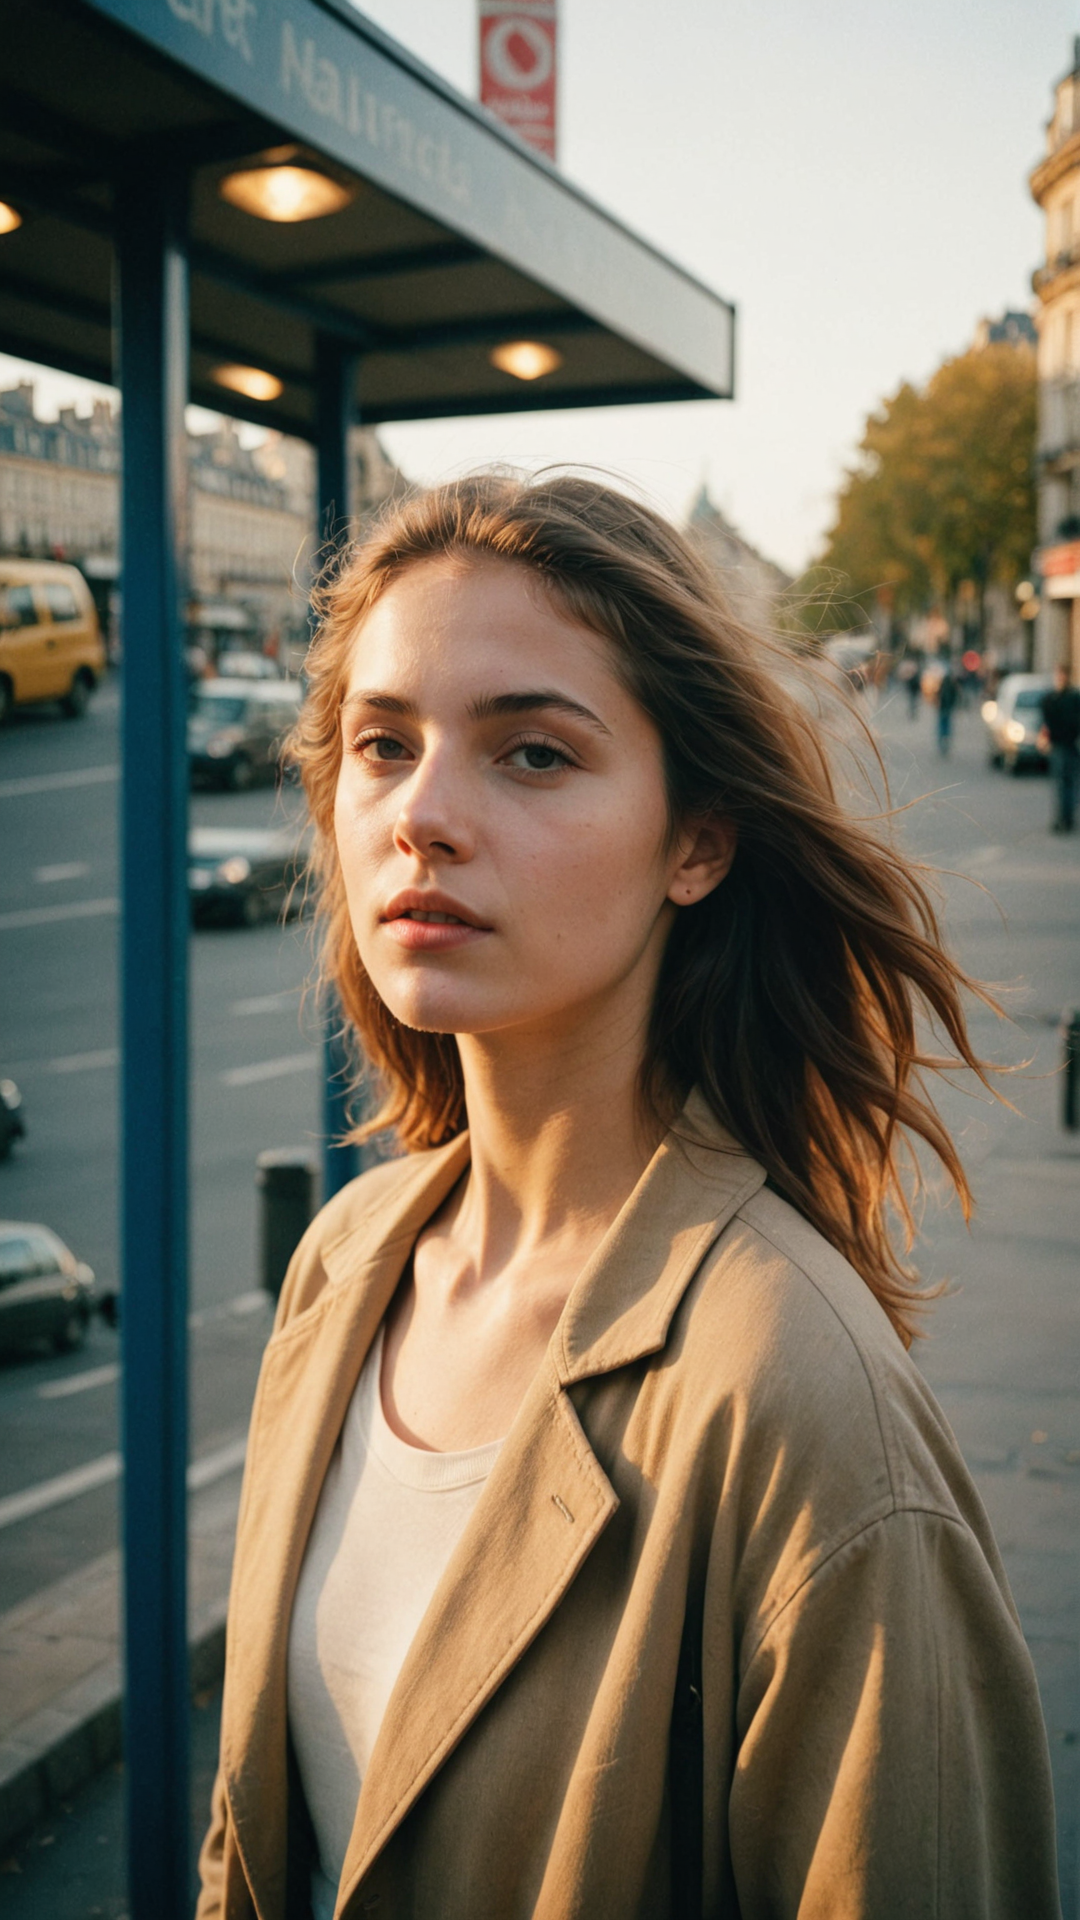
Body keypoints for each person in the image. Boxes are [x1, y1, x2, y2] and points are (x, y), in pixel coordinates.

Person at [197, 475, 1059, 1919]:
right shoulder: (345, 1264)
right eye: (382, 745)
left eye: (532, 754)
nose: (424, 816)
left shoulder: (797, 1399)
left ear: (697, 842)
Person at [1039, 661, 1080, 832]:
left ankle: (1066, 818)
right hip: (1060, 744)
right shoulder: (1055, 697)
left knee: (1066, 784)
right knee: (1063, 784)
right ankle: (1065, 818)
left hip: (1069, 744)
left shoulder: (1070, 697)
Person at [935, 660, 959, 754]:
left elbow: (939, 693)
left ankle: (942, 741)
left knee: (942, 725)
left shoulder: (944, 683)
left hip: (943, 707)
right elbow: (955, 695)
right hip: (947, 707)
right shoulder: (952, 683)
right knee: (946, 725)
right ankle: (945, 740)